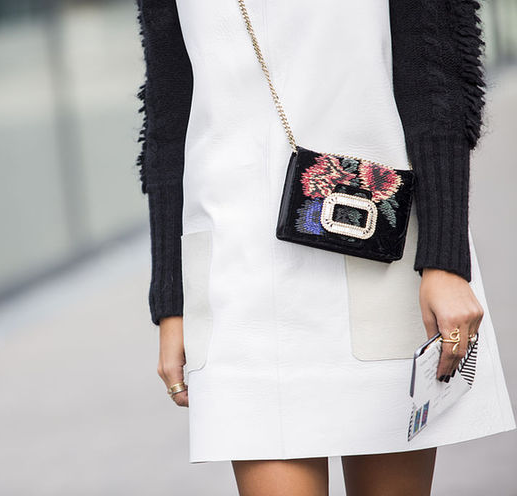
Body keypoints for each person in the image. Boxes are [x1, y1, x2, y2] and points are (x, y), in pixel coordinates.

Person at [134, 0, 517, 494]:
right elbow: (167, 113)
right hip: (236, 274)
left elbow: (437, 77)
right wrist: (171, 302)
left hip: (379, 250)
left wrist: (445, 261)